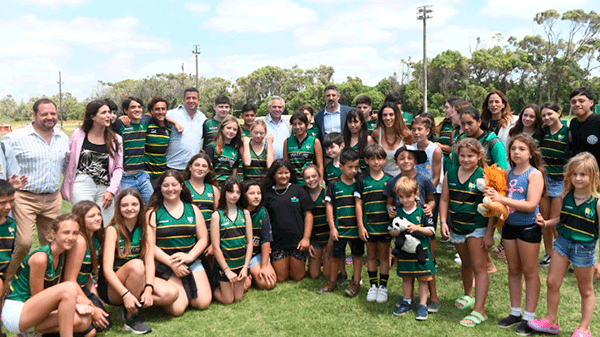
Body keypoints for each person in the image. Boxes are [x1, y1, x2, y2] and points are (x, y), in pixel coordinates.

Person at [529, 152, 600, 337]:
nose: (578, 178)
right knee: (552, 282)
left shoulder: (597, 202)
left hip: (584, 249)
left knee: (585, 289)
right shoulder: (566, 195)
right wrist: (546, 223)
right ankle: (551, 321)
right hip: (561, 243)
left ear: (593, 176)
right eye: (574, 174)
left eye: (583, 174)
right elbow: (561, 219)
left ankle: (584, 328)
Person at [485, 135, 544, 335]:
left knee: (530, 271)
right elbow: (499, 198)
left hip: (528, 228)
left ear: (531, 153)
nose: (516, 152)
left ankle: (529, 317)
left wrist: (502, 199)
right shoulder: (508, 172)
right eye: (513, 149)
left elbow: (530, 205)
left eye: (522, 149)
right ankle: (515, 312)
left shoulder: (533, 174)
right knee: (513, 270)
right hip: (509, 227)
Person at [1, 98, 69, 270]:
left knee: (53, 243)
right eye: (44, 113)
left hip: (52, 198)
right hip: (25, 197)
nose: (49, 117)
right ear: (34, 115)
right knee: (23, 243)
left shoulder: (62, 137)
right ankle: (9, 284)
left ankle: (46, 281)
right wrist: (6, 183)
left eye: (53, 113)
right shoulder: (15, 138)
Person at [99, 189, 178, 334]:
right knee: (136, 265)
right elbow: (107, 270)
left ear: (141, 207)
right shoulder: (112, 229)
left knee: (171, 293)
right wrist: (125, 294)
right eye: (125, 205)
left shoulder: (145, 228)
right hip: (113, 287)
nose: (130, 208)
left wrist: (148, 288)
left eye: (134, 204)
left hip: (137, 278)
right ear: (119, 208)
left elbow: (149, 263)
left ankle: (131, 304)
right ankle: (132, 317)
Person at [2, 214, 93, 336]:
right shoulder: (41, 258)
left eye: (75, 233)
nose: (71, 237)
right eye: (66, 233)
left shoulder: (60, 255)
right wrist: (76, 304)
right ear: (53, 233)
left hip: (35, 313)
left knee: (83, 321)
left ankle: (32, 333)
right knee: (69, 288)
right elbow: (37, 296)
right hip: (18, 312)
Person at [439, 138, 494, 327]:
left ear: (479, 156)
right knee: (466, 263)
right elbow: (445, 199)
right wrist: (443, 221)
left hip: (477, 227)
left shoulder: (485, 175)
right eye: (462, 155)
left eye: (470, 156)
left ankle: (480, 310)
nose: (465, 159)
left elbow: (493, 207)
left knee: (479, 267)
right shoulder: (450, 174)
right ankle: (468, 295)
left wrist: (489, 233)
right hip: (456, 227)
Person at [147, 170, 212, 315]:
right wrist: (172, 263)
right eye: (166, 185)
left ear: (181, 186)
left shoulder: (193, 209)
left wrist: (189, 257)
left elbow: (203, 239)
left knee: (203, 303)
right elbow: (150, 246)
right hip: (165, 263)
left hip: (190, 259)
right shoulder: (153, 212)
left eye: (174, 185)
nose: (170, 189)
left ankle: (184, 289)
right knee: (177, 309)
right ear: (160, 188)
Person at [61, 100, 123, 226]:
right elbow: (69, 159)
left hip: (105, 188)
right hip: (82, 184)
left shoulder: (116, 139)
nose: (109, 116)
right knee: (84, 222)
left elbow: (118, 167)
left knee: (104, 225)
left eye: (110, 112)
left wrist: (111, 190)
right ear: (92, 116)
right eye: (104, 113)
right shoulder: (79, 134)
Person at [317, 149, 363, 296]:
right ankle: (332, 281)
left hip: (356, 228)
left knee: (357, 255)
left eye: (356, 167)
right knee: (336, 255)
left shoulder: (360, 183)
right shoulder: (333, 184)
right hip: (340, 228)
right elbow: (329, 206)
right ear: (341, 166)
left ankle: (355, 283)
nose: (354, 170)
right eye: (350, 167)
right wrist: (332, 227)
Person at [391, 177, 436, 321]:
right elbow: (391, 230)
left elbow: (432, 231)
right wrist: (396, 231)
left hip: (421, 252)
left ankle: (423, 305)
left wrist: (417, 228)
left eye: (408, 196)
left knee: (423, 278)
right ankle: (407, 301)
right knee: (406, 277)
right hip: (405, 252)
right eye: (401, 197)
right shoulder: (397, 213)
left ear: (416, 194)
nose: (404, 200)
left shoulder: (424, 211)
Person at [64, 201, 111, 335]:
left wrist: (98, 300)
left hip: (81, 288)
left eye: (98, 214)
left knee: (105, 322)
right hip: (69, 290)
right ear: (81, 220)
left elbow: (87, 274)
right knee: (92, 327)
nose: (98, 218)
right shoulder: (79, 241)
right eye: (91, 216)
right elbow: (69, 280)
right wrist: (91, 307)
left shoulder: (94, 239)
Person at [263, 159, 314, 282]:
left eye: (286, 173)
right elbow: (264, 219)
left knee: (297, 277)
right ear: (274, 175)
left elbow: (308, 215)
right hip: (277, 243)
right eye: (280, 173)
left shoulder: (298, 190)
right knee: (281, 278)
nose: (283, 176)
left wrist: (306, 238)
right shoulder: (267, 193)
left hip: (297, 242)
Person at [355, 145, 391, 303]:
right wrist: (361, 226)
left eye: (379, 158)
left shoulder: (389, 180)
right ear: (366, 161)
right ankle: (373, 285)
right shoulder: (362, 180)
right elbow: (358, 204)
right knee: (370, 256)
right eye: (372, 159)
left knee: (384, 257)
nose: (376, 162)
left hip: (385, 226)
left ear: (384, 160)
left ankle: (383, 286)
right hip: (369, 226)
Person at [210, 177, 253, 304]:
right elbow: (216, 247)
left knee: (238, 298)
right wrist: (227, 270)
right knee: (228, 300)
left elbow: (250, 242)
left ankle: (232, 284)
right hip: (225, 265)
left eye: (238, 192)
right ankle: (212, 289)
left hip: (241, 264)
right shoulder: (217, 216)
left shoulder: (245, 213)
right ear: (224, 193)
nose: (234, 195)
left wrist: (246, 267)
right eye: (231, 191)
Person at [539, 102, 570, 267]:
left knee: (555, 221)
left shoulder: (568, 132)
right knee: (544, 220)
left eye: (550, 114)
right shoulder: (543, 132)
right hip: (544, 181)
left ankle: (562, 254)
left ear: (559, 113)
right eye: (544, 115)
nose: (547, 118)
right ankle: (549, 253)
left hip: (560, 181)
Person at [112, 97, 154, 205]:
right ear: (126, 110)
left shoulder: (144, 123)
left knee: (150, 205)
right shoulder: (120, 125)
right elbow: (107, 123)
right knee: (126, 207)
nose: (137, 109)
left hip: (142, 175)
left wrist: (175, 123)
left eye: (139, 107)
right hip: (125, 177)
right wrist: (119, 119)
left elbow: (154, 113)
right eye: (133, 107)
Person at [241, 180, 277, 290]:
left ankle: (253, 273)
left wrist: (264, 265)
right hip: (239, 257)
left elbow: (266, 240)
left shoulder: (262, 212)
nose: (256, 197)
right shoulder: (237, 212)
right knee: (243, 287)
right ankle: (249, 275)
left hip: (255, 255)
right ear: (243, 195)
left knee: (268, 283)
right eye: (252, 193)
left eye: (258, 193)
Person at [165, 87, 207, 172]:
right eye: (188, 98)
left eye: (194, 98)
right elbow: (157, 115)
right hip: (173, 165)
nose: (191, 100)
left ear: (199, 101)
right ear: (183, 100)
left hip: (193, 168)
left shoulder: (202, 118)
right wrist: (174, 122)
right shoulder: (173, 113)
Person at [369, 102, 413, 177]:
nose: (388, 118)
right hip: (382, 177)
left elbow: (412, 159)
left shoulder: (406, 135)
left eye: (391, 114)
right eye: (385, 115)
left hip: (403, 177)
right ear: (381, 117)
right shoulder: (376, 134)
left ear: (397, 116)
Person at [303, 164, 331, 279]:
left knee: (327, 274)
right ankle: (317, 260)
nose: (311, 180)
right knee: (314, 275)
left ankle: (330, 260)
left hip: (328, 238)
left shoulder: (327, 193)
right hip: (314, 240)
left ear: (320, 177)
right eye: (307, 178)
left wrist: (331, 241)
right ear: (304, 180)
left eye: (314, 176)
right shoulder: (303, 195)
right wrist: (308, 242)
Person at [143, 95, 177, 188]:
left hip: (162, 173)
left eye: (163, 109)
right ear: (151, 111)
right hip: (146, 173)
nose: (161, 112)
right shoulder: (147, 125)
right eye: (157, 109)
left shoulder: (169, 127)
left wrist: (175, 123)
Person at [284, 111, 324, 187]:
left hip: (310, 183)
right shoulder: (287, 141)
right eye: (294, 124)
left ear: (306, 124)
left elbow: (320, 165)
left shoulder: (314, 141)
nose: (297, 127)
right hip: (293, 183)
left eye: (300, 123)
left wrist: (320, 183)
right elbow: (286, 165)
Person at [183, 154, 221, 230]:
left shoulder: (214, 190)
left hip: (209, 233)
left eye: (204, 166)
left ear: (208, 170)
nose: (200, 168)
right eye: (197, 165)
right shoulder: (182, 188)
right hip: (188, 233)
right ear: (190, 167)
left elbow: (218, 215)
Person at [205, 115, 243, 185]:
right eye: (228, 128)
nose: (231, 131)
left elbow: (234, 175)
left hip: (227, 188)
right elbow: (208, 170)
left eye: (234, 129)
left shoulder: (235, 151)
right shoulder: (212, 147)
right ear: (222, 129)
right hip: (213, 186)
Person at [568, 87, 600, 164]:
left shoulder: (598, 121)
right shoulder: (573, 123)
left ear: (591, 103)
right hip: (579, 171)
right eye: (573, 102)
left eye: (581, 101)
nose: (577, 104)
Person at [0, 180, 17, 302]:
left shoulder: (12, 225)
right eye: (3, 203)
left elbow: (11, 256)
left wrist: (6, 282)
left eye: (11, 201)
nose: (8, 207)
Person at [342, 108, 371, 173]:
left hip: (365, 176)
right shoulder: (342, 140)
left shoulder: (368, 139)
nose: (352, 125)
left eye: (356, 122)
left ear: (361, 123)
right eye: (350, 122)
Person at [436, 97, 460, 173]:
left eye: (447, 107)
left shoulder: (459, 129)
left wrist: (441, 146)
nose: (444, 110)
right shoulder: (444, 124)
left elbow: (455, 149)